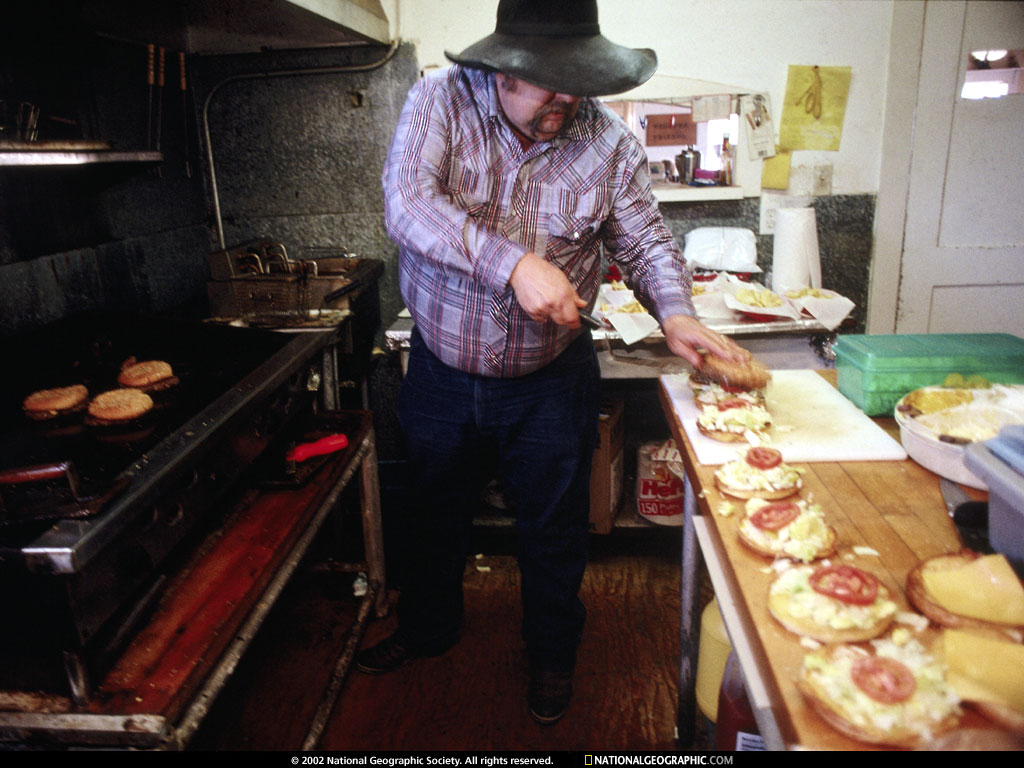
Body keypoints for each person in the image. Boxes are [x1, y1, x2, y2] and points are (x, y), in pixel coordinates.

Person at [355, 0, 749, 725]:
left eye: (578, 80)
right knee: (434, 517)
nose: (566, 99)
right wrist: (514, 264)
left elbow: (645, 240)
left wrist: (676, 312)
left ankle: (552, 654)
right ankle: (429, 630)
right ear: (502, 70)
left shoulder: (608, 141)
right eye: (548, 81)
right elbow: (407, 205)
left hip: (550, 381)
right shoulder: (440, 101)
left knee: (555, 530)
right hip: (441, 372)